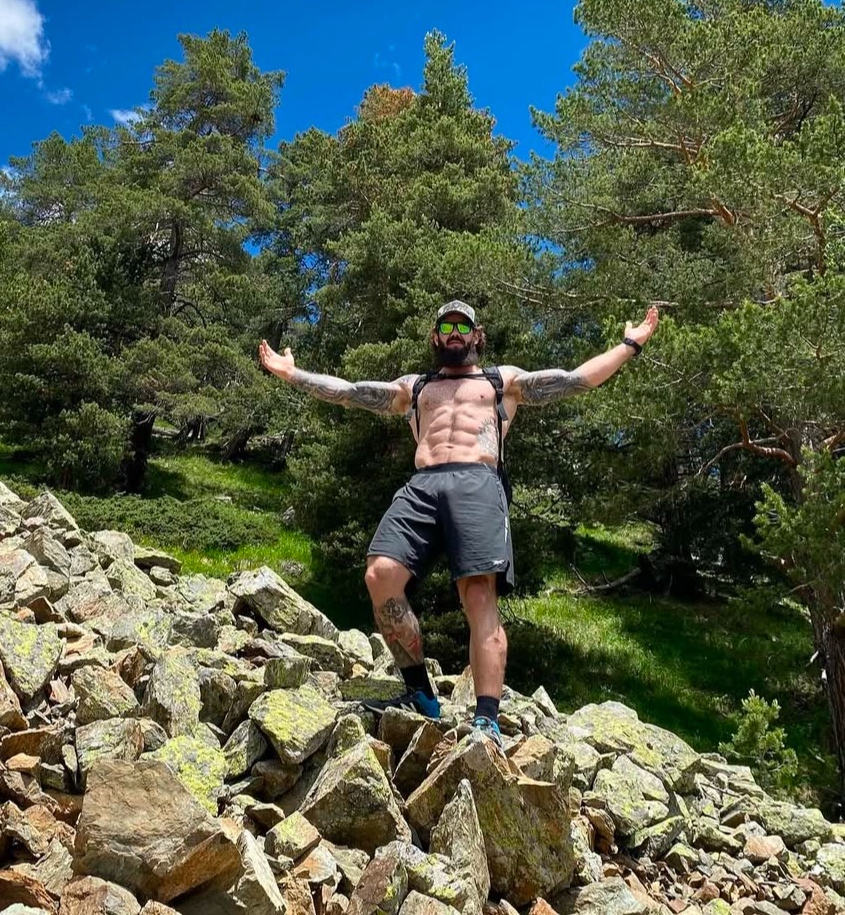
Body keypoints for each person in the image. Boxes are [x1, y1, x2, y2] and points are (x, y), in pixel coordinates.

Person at [259, 299, 659, 746]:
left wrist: (629, 346)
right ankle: (420, 695)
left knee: (478, 594)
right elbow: (351, 392)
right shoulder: (415, 388)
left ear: (476, 335)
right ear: (435, 337)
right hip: (423, 484)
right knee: (380, 574)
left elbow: (575, 379)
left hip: (478, 481)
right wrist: (293, 374)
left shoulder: (501, 382)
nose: (454, 333)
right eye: (446, 327)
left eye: (463, 327)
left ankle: (486, 719)